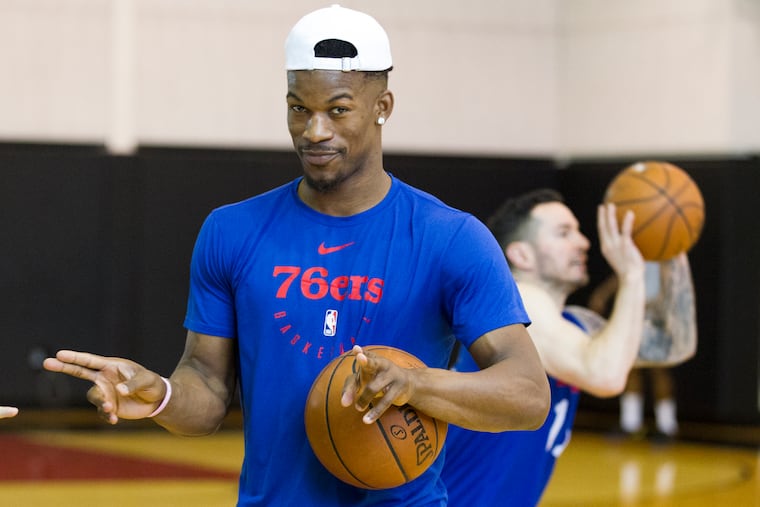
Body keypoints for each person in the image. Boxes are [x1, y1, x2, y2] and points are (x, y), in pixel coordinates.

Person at [42, 6, 550, 506]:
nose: (314, 131)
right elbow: (208, 387)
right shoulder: (232, 231)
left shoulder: (451, 238)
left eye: (338, 109)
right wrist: (162, 398)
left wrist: (415, 384)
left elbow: (528, 395)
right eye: (298, 108)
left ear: (383, 106)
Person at [441, 188, 697, 507]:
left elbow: (668, 347)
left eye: (577, 231)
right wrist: (633, 275)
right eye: (564, 233)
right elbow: (606, 375)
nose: (583, 242)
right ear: (522, 255)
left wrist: (671, 253)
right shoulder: (520, 306)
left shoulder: (571, 326)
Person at [588, 259, 697, 439]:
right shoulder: (637, 249)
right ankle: (631, 423)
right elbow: (623, 275)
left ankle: (667, 425)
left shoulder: (666, 254)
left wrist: (662, 307)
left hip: (657, 316)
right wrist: (603, 293)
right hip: (634, 314)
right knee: (631, 368)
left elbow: (671, 283)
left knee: (659, 370)